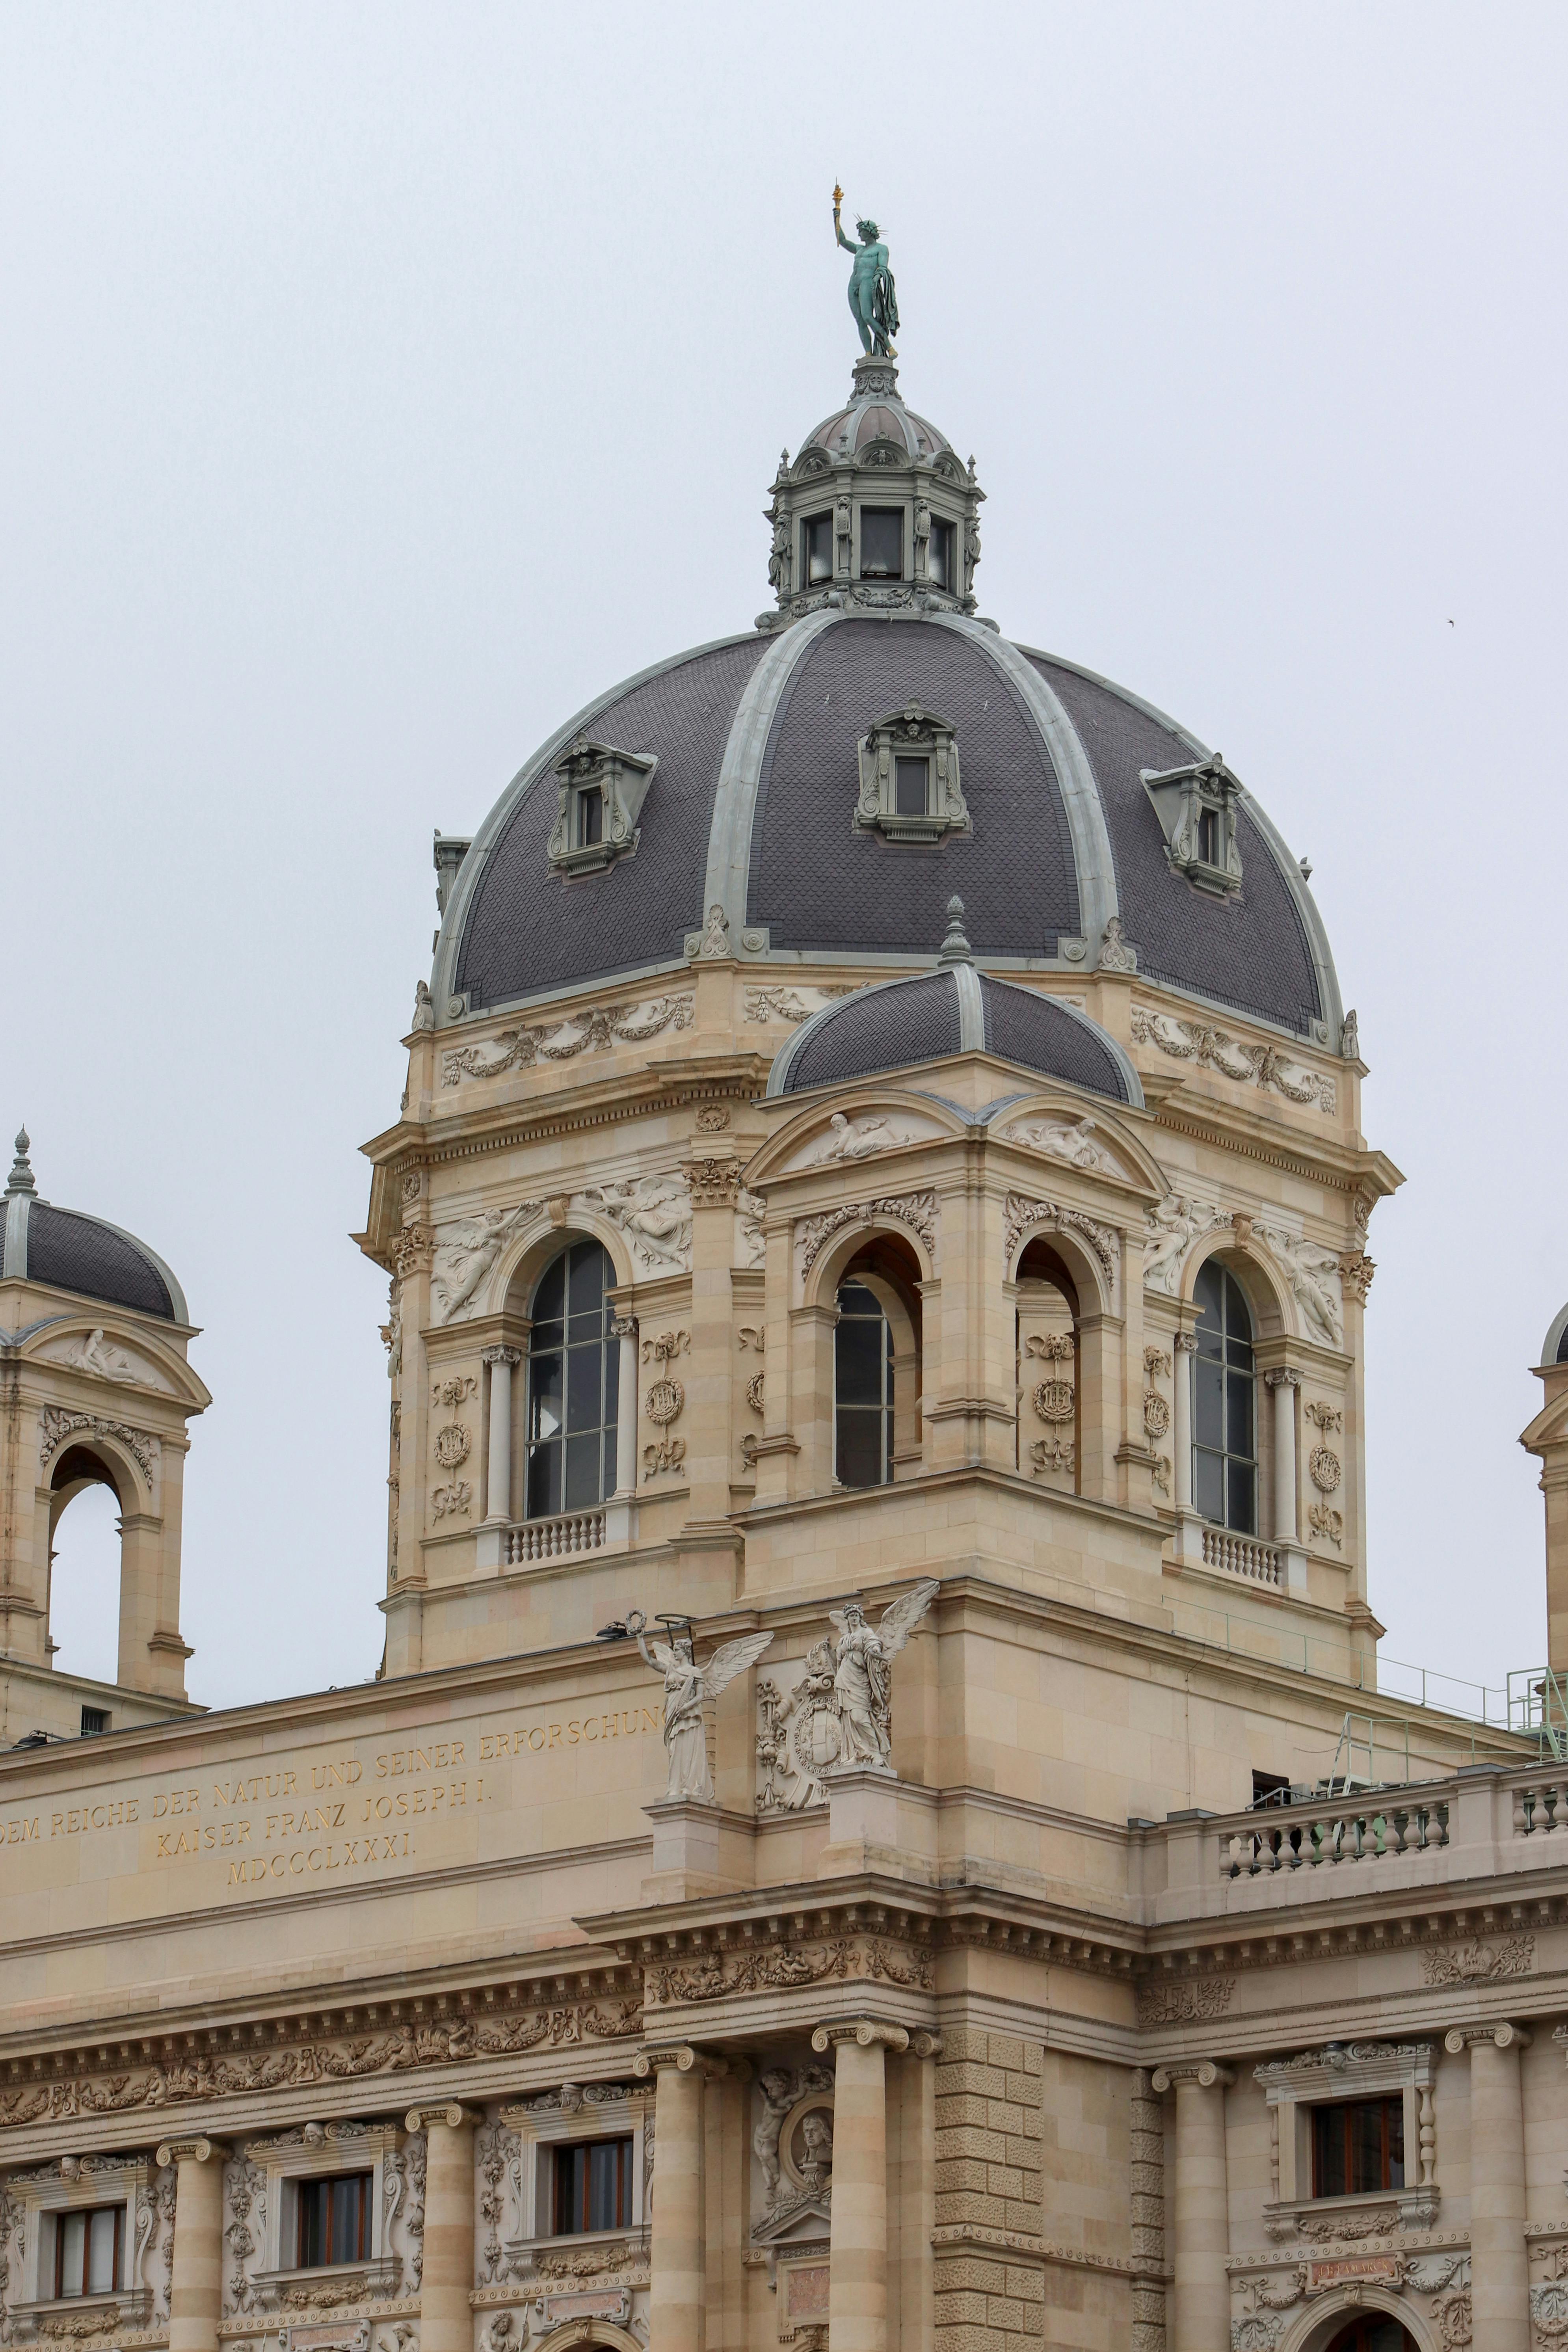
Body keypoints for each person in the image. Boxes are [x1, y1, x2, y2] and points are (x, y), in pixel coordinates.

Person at [833, 186, 898, 357]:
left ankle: (889, 348)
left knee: (868, 317)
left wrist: (879, 275)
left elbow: (883, 267)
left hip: (867, 282)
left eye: (861, 231)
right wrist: (836, 219)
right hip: (853, 283)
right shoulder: (859, 249)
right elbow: (841, 240)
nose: (859, 234)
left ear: (868, 232)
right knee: (860, 320)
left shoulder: (881, 249)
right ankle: (868, 353)